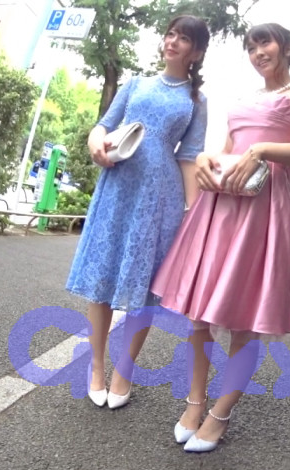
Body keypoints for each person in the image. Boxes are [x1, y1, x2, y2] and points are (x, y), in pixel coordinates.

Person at [150, 23, 290, 452]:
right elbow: (228, 150)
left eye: (265, 43)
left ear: (288, 47)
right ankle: (195, 402)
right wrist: (206, 158)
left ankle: (221, 413)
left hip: (267, 214)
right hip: (221, 208)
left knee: (246, 322)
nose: (257, 52)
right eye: (251, 47)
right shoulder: (243, 99)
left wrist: (261, 150)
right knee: (200, 313)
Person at [65, 15, 210, 410]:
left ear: (197, 52)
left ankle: (123, 371)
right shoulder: (135, 84)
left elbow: (190, 157)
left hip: (160, 197)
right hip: (118, 184)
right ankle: (96, 366)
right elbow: (104, 125)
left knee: (144, 284)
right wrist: (96, 143)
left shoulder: (197, 101)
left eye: (184, 38)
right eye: (170, 34)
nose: (173, 41)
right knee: (103, 271)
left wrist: (193, 213)